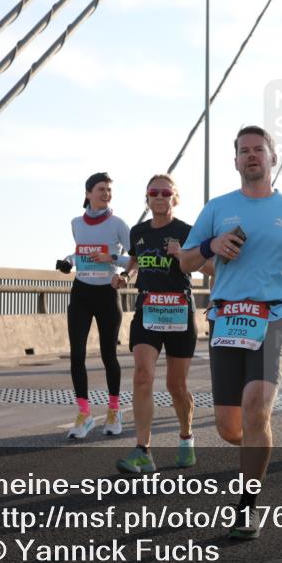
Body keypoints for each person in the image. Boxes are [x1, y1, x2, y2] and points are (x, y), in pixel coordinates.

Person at [179, 125, 282, 540]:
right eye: (243, 150)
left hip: (272, 318)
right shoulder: (217, 208)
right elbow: (186, 263)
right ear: (235, 161)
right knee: (232, 427)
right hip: (226, 319)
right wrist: (212, 245)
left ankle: (246, 507)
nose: (251, 156)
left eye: (258, 150)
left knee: (256, 406)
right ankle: (257, 447)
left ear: (272, 157)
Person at [115, 174, 206, 473]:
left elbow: (210, 268)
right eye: (153, 192)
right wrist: (125, 277)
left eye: (165, 192)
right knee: (142, 375)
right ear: (147, 197)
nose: (159, 197)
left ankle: (186, 436)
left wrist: (182, 254)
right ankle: (144, 450)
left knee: (176, 386)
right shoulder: (138, 232)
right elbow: (135, 261)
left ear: (174, 198)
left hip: (179, 312)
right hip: (148, 311)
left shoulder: (188, 231)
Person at [55, 172, 130, 439]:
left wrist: (110, 257)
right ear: (88, 193)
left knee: (108, 355)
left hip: (107, 294)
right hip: (82, 293)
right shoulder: (76, 223)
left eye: (109, 189)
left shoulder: (119, 224)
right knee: (77, 354)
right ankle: (84, 413)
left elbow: (133, 259)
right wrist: (67, 261)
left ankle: (114, 410)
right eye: (101, 189)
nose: (106, 193)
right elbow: (78, 252)